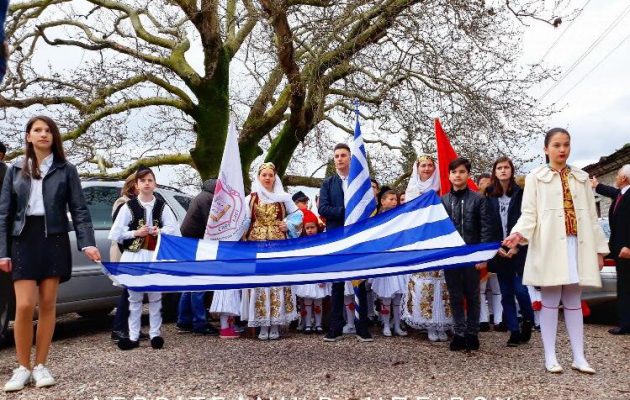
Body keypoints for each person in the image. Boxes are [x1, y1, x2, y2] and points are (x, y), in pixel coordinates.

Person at [0, 116, 101, 392]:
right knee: (23, 306)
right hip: (23, 239)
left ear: (54, 136)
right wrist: (2, 251)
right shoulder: (15, 169)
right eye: (37, 130)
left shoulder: (66, 169)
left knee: (47, 304)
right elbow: (4, 213)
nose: (43, 134)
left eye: (48, 130)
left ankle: (41, 365)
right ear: (29, 136)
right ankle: (22, 367)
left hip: (54, 238)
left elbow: (79, 209)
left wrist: (87, 242)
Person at [504, 128, 608, 374]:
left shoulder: (582, 177)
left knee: (573, 299)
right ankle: (550, 356)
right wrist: (519, 234)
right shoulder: (535, 177)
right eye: (557, 145)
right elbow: (529, 213)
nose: (562, 150)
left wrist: (600, 250)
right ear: (546, 148)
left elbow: (592, 217)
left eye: (566, 145)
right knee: (550, 300)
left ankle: (579, 356)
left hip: (578, 245)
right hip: (550, 245)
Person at [109, 166, 180, 351]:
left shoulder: (161, 206)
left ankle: (155, 334)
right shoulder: (128, 207)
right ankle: (133, 336)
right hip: (134, 255)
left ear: (154, 184)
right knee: (134, 297)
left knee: (155, 297)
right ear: (137, 185)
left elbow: (174, 230)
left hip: (154, 255)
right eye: (143, 181)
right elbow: (116, 233)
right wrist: (135, 232)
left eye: (150, 180)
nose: (147, 184)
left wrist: (160, 231)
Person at [240, 162, 301, 340]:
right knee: (260, 283)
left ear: (275, 177)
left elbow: (298, 215)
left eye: (270, 175)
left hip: (278, 245)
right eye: (264, 175)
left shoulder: (283, 197)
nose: (267, 178)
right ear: (258, 177)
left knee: (277, 283)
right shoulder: (250, 198)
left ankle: (275, 323)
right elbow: (244, 220)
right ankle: (262, 324)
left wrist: (287, 224)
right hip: (256, 247)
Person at [320, 143, 373, 342]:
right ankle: (336, 326)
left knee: (359, 281)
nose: (340, 158)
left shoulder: (360, 182)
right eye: (336, 156)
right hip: (336, 237)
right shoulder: (328, 183)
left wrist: (357, 215)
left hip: (357, 237)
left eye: (343, 155)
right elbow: (323, 209)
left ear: (351, 158)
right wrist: (347, 212)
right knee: (337, 283)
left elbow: (368, 206)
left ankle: (361, 326)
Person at [442, 158, 492, 351]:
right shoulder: (443, 200)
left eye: (462, 172)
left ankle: (472, 333)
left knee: (472, 295)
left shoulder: (478, 199)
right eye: (454, 172)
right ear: (449, 175)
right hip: (452, 256)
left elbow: (486, 228)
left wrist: (483, 255)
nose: (458, 175)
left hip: (472, 254)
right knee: (455, 296)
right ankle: (459, 333)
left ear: (468, 174)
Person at [402, 155, 452, 342]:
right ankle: (429, 323)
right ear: (417, 168)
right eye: (423, 165)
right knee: (425, 284)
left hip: (439, 239)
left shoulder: (441, 187)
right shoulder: (412, 190)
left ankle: (442, 322)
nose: (427, 168)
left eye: (430, 165)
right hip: (420, 241)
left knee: (442, 283)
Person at [486, 156, 534, 347]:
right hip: (499, 250)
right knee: (505, 292)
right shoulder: (489, 195)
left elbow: (529, 220)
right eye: (500, 168)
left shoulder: (522, 194)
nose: (503, 170)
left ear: (511, 171)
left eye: (506, 167)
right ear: (495, 172)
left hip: (519, 249)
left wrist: (517, 245)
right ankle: (514, 331)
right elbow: (487, 224)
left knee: (521, 290)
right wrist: (495, 247)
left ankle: (528, 320)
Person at [179, 179, 221, 336]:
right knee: (199, 284)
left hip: (190, 242)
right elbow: (210, 224)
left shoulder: (201, 196)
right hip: (198, 244)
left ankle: (184, 321)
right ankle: (200, 322)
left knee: (190, 284)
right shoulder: (209, 199)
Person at [591, 165, 630, 335]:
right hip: (619, 249)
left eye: (618, 175)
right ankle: (626, 323)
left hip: (626, 250)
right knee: (623, 288)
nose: (616, 177)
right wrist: (597, 185)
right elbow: (612, 193)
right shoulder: (622, 194)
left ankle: (626, 325)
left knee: (626, 288)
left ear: (624, 179)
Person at [370, 189, 408, 337]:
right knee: (386, 296)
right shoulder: (378, 219)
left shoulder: (400, 217)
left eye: (395, 199)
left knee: (398, 296)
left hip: (398, 259)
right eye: (391, 199)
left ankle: (397, 325)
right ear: (383, 201)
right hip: (384, 260)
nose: (394, 202)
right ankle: (385, 324)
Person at [110, 173, 142, 343]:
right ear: (133, 185)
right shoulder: (123, 203)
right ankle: (119, 329)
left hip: (138, 251)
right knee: (129, 291)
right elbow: (120, 231)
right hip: (126, 251)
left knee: (135, 291)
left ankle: (130, 327)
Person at [294, 209, 330, 334]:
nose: (310, 230)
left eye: (312, 227)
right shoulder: (301, 242)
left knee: (318, 301)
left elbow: (324, 260)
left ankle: (318, 324)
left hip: (318, 274)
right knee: (307, 301)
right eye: (307, 228)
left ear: (317, 227)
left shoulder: (322, 241)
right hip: (306, 275)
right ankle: (308, 324)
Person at [476, 173, 504, 333]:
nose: (486, 184)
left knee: (497, 287)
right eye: (482, 182)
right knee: (480, 289)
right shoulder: (476, 202)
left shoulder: (499, 201)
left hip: (497, 247)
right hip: (480, 248)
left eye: (489, 182)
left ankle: (499, 319)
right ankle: (483, 319)